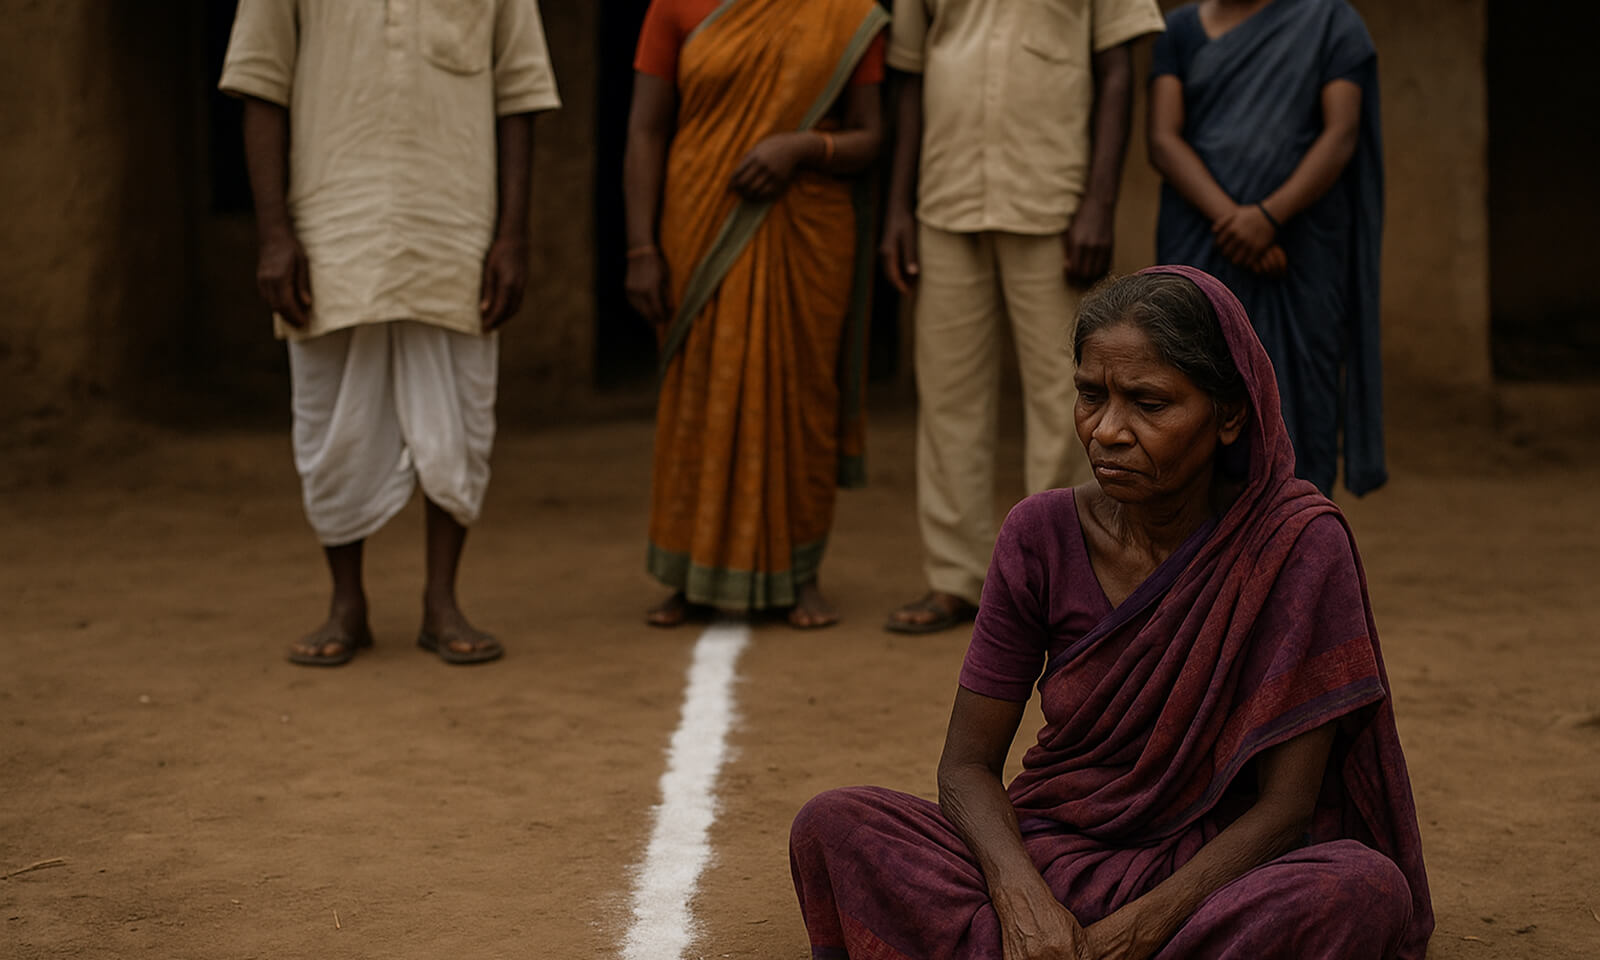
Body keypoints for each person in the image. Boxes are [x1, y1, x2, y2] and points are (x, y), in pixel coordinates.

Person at [790, 268, 1433, 959]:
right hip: (1050, 854)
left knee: (1362, 889)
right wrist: (1022, 899)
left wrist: (1134, 933)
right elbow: (966, 767)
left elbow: (1285, 811)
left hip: (1210, 878)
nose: (1107, 431)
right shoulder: (1039, 533)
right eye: (1090, 396)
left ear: (1229, 416)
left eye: (1149, 403)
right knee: (834, 823)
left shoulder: (1298, 545)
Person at [219, 0, 561, 665]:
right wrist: (274, 235)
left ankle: (442, 602)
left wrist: (512, 236)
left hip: (454, 222)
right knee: (331, 418)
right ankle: (346, 603)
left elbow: (518, 95)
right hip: (332, 224)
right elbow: (261, 85)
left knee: (460, 415)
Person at [882, 0, 1167, 635]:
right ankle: (955, 579)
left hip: (1054, 201)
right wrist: (897, 206)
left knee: (1069, 397)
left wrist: (1099, 201)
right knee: (948, 395)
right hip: (943, 197)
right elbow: (909, 75)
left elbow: (1118, 70)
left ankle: (1060, 580)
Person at [624, 0, 889, 630]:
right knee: (701, 396)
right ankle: (689, 575)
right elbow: (646, 129)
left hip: (807, 227)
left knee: (798, 397)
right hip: (701, 218)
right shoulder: (674, 6)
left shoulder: (848, 14)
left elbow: (870, 135)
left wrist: (802, 147)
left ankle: (800, 575)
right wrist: (640, 247)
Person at [1147, 0, 1385, 497]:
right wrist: (1237, 224)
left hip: (1301, 252)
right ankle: (1200, 565)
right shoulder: (1179, 30)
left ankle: (1296, 550)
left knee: (1303, 406)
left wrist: (1270, 216)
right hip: (1201, 243)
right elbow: (1164, 139)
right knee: (1191, 390)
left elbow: (1341, 133)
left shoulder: (1330, 23)